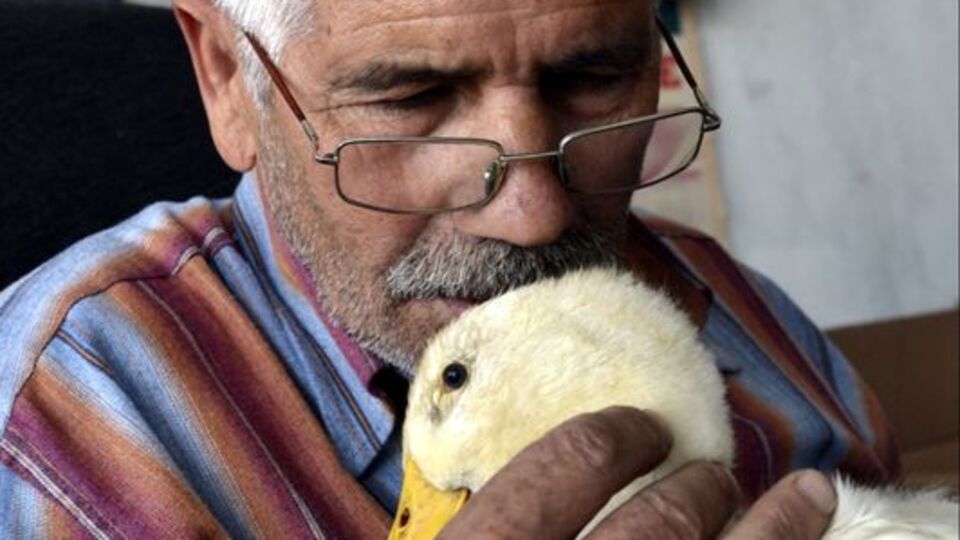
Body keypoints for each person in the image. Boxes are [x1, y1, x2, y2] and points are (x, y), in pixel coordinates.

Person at [0, 0, 899, 537]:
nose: (535, 212)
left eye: (593, 77)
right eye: (411, 96)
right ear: (229, 77)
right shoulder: (57, 437)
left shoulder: (755, 331)